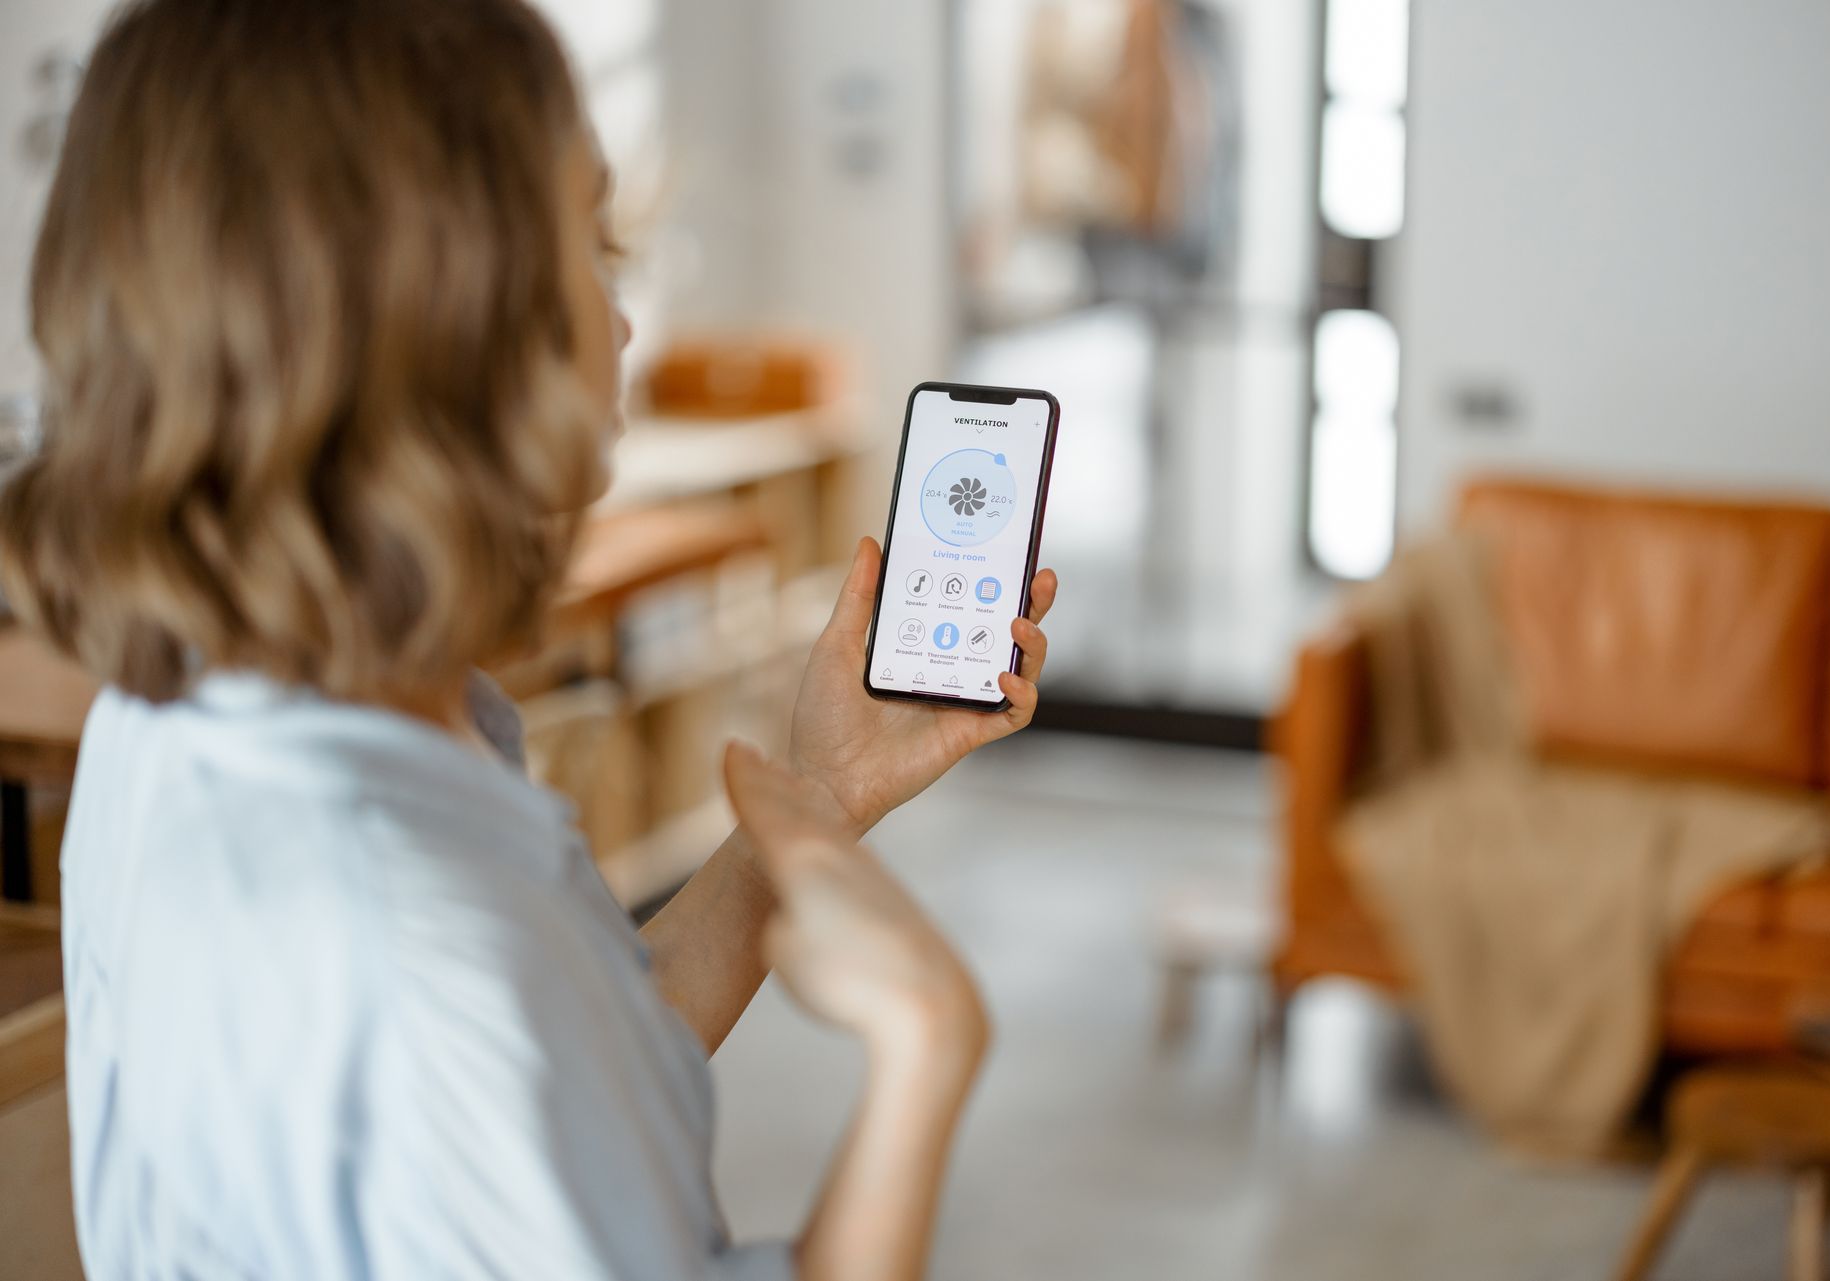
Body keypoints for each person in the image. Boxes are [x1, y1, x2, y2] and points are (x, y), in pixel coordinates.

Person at [0, 1, 1058, 1277]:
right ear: (442, 319)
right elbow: (494, 1037)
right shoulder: (413, 929)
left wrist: (825, 794)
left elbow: (575, 1068)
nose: (620, 324)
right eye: (592, 244)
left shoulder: (191, 713)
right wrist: (924, 1047)